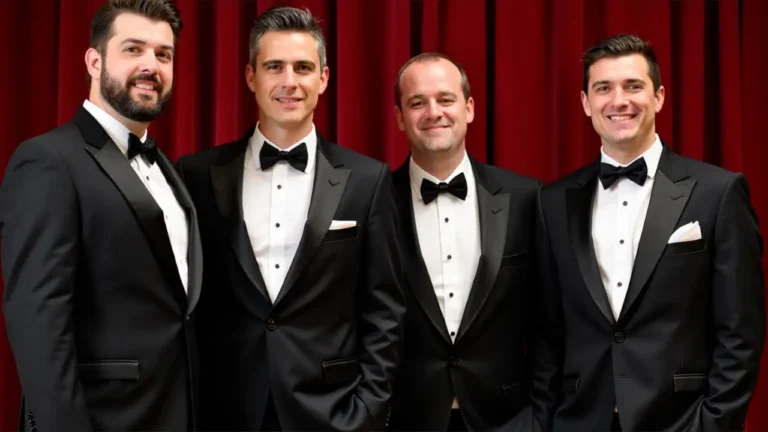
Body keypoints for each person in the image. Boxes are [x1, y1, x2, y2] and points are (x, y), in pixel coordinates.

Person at [175, 6, 406, 431]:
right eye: (274, 67)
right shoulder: (196, 175)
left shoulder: (367, 180)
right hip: (225, 410)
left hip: (332, 413)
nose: (289, 82)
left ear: (323, 78)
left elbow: (385, 308)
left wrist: (369, 410)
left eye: (303, 67)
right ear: (251, 76)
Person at [536, 34, 766, 431]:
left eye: (633, 86)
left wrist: (714, 424)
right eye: (603, 88)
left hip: (681, 422)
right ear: (585, 102)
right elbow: (546, 332)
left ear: (658, 96)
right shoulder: (553, 202)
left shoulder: (718, 193)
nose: (618, 100)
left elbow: (741, 330)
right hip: (579, 421)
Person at [0, 1, 201, 431]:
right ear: (94, 61)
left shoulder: (169, 171)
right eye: (133, 49)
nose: (151, 65)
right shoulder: (47, 161)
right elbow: (38, 322)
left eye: (163, 54)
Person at [386, 52, 551, 432]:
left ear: (469, 108)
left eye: (445, 99)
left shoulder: (526, 198)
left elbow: (550, 323)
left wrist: (537, 419)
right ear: (399, 117)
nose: (433, 112)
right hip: (404, 419)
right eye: (417, 103)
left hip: (508, 419)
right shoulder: (375, 202)